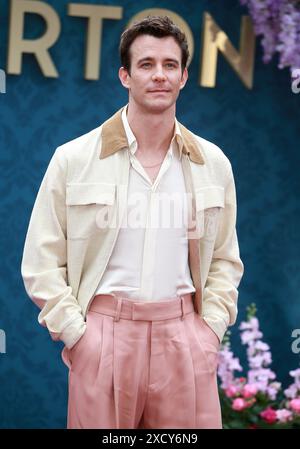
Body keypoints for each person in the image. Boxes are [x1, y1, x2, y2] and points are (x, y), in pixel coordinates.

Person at [21, 15, 244, 429]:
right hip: (104, 338)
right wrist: (78, 335)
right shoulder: (73, 159)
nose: (159, 75)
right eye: (146, 65)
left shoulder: (213, 164)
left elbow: (226, 262)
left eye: (169, 65)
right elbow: (40, 263)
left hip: (184, 338)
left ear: (184, 76)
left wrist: (209, 332)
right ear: (125, 75)